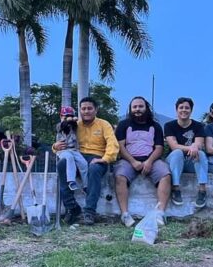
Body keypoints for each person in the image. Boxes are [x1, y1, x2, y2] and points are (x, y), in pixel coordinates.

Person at [52, 97, 119, 226]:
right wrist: (55, 146)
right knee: (62, 164)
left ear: (96, 110)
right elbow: (62, 139)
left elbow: (113, 143)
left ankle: (89, 212)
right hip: (77, 156)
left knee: (94, 169)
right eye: (83, 109)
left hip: (97, 157)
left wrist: (105, 159)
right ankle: (72, 208)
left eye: (89, 108)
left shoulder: (104, 124)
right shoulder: (74, 124)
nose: (86, 111)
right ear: (80, 110)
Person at [114, 96, 172, 227]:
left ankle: (160, 213)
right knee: (120, 176)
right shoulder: (124, 125)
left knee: (165, 174)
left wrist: (149, 161)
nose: (137, 109)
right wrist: (133, 161)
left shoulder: (155, 126)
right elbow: (120, 147)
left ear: (146, 108)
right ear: (130, 109)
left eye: (140, 106)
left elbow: (159, 148)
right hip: (128, 160)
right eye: (134, 107)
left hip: (151, 159)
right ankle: (125, 214)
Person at [164, 97, 208, 208]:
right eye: (181, 107)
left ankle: (202, 190)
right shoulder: (169, 126)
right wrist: (191, 147)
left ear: (191, 110)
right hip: (174, 161)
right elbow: (173, 146)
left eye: (187, 108)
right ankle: (176, 188)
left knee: (201, 154)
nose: (184, 110)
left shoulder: (198, 126)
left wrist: (195, 146)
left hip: (190, 162)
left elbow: (199, 143)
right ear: (176, 110)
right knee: (178, 152)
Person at [55, 106, 88, 191]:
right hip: (63, 150)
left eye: (70, 116)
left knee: (83, 163)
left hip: (74, 149)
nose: (68, 118)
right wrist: (66, 120)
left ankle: (86, 185)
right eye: (65, 116)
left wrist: (73, 120)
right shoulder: (60, 126)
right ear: (61, 117)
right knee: (69, 158)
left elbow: (76, 124)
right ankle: (71, 181)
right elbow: (62, 126)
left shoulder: (74, 126)